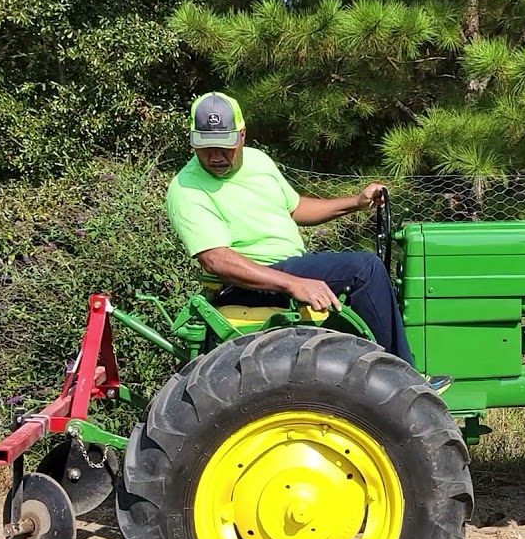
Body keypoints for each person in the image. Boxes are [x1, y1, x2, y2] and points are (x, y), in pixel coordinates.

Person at [164, 91, 452, 393]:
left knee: (372, 277)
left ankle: (368, 377)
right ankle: (403, 381)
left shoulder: (259, 162)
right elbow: (216, 260)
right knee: (364, 270)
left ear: (242, 135)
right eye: (205, 147)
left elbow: (295, 208)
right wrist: (292, 283)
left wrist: (355, 202)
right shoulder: (187, 189)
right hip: (250, 283)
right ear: (193, 141)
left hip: (288, 267)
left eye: (224, 145)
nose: (215, 156)